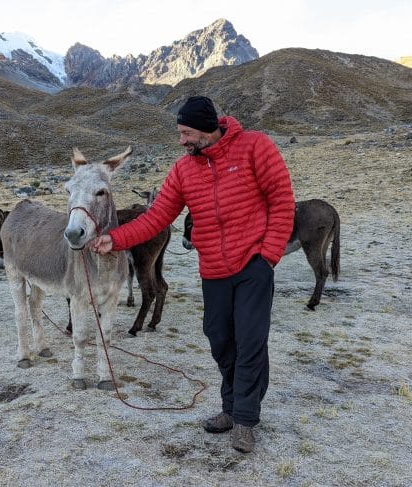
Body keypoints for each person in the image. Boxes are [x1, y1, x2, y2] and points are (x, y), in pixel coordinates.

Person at [89, 95, 295, 453]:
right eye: (180, 133)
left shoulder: (255, 147)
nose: (182, 140)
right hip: (214, 270)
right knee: (219, 339)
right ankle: (231, 408)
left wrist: (268, 256)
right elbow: (157, 217)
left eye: (186, 133)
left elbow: (282, 200)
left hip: (253, 266)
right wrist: (115, 239)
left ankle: (244, 419)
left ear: (206, 128)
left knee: (249, 341)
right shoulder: (184, 169)